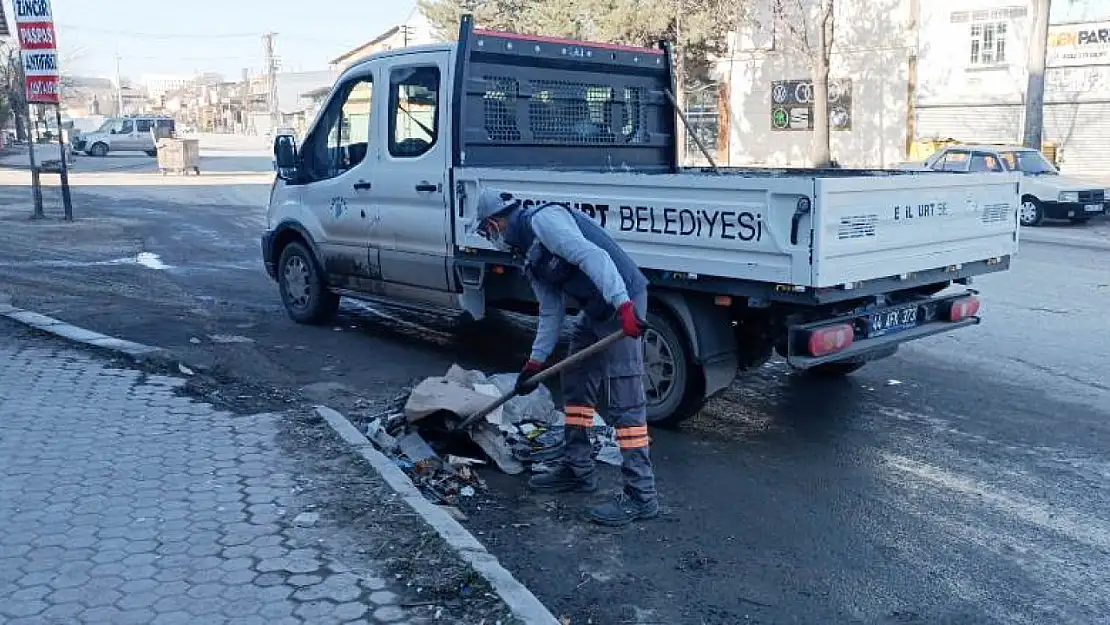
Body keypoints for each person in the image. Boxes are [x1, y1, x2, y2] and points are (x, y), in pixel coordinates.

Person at [474, 189, 659, 527]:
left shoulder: (545, 220)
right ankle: (578, 469)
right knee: (574, 382)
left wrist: (624, 305)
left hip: (622, 301)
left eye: (488, 232)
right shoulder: (529, 257)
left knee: (625, 402)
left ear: (494, 223)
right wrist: (535, 362)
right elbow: (550, 311)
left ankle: (641, 496)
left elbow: (594, 257)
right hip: (596, 310)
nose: (491, 239)